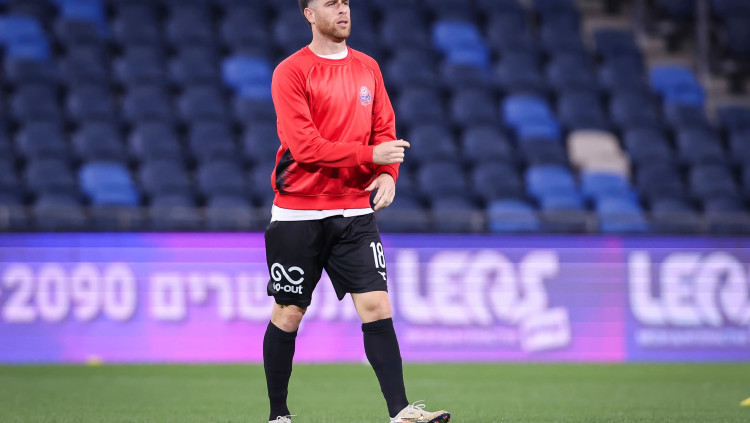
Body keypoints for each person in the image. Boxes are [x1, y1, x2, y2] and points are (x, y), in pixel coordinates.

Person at [262, 1, 451, 422]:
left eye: (345, 1)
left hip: (354, 211)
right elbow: (305, 147)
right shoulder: (291, 72)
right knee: (289, 314)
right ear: (309, 14)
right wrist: (370, 156)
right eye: (331, 3)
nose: (343, 9)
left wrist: (387, 174)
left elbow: (384, 130)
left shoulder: (368, 67)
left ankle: (401, 412)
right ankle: (279, 415)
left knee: (377, 307)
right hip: (298, 212)